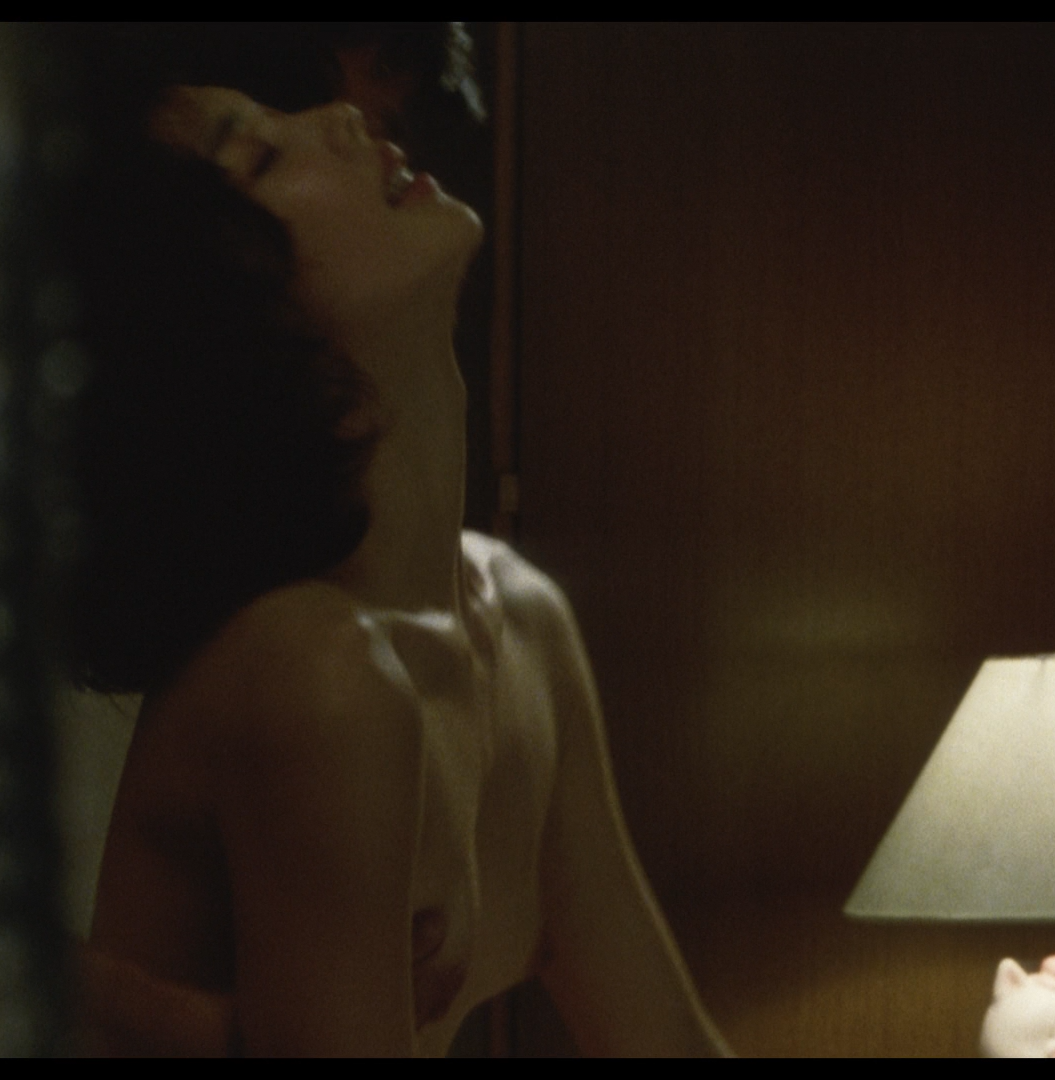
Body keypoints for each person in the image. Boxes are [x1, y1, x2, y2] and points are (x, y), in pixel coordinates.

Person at [63, 66, 729, 1056]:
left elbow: (665, 1042)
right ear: (227, 311)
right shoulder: (315, 673)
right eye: (260, 155)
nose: (340, 118)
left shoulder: (519, 619)